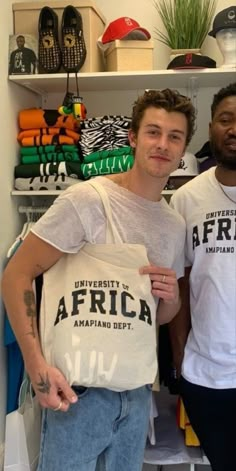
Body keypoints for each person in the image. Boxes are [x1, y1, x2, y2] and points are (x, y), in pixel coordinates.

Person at [1, 88, 196, 471]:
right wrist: (37, 365)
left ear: (183, 147)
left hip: (136, 394)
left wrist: (171, 297)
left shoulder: (173, 225)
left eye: (174, 136)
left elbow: (154, 316)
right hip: (78, 395)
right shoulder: (87, 200)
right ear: (133, 137)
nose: (162, 144)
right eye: (153, 132)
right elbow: (16, 274)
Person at [169, 82, 236, 471]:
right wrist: (179, 359)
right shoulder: (186, 199)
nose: (233, 128)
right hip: (205, 376)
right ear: (211, 128)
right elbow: (181, 282)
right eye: (225, 119)